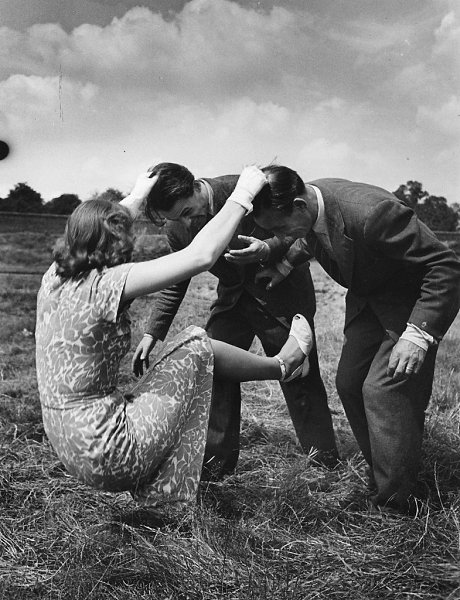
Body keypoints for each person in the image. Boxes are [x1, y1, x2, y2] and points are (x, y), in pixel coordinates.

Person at [35, 165, 314, 513]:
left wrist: (138, 195)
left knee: (187, 358)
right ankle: (283, 365)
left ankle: (166, 496)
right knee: (196, 343)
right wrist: (243, 193)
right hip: (109, 450)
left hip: (69, 447)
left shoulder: (54, 277)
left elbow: (102, 228)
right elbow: (199, 257)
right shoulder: (105, 283)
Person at [240, 165, 460, 514]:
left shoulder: (373, 213)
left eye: (279, 228)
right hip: (367, 298)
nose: (279, 237)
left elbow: (445, 267)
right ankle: (385, 471)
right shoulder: (308, 205)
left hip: (409, 302)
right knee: (349, 382)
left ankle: (396, 504)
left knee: (384, 390)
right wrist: (283, 267)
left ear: (298, 206)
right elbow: (307, 238)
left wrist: (418, 335)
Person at [132, 163, 339, 480]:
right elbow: (177, 277)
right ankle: (216, 467)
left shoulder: (247, 188)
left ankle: (324, 464)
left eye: (187, 211)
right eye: (175, 218)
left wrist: (268, 249)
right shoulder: (176, 228)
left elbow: (297, 229)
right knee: (213, 368)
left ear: (196, 187)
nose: (186, 222)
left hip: (280, 292)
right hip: (232, 299)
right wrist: (152, 332)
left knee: (299, 375)